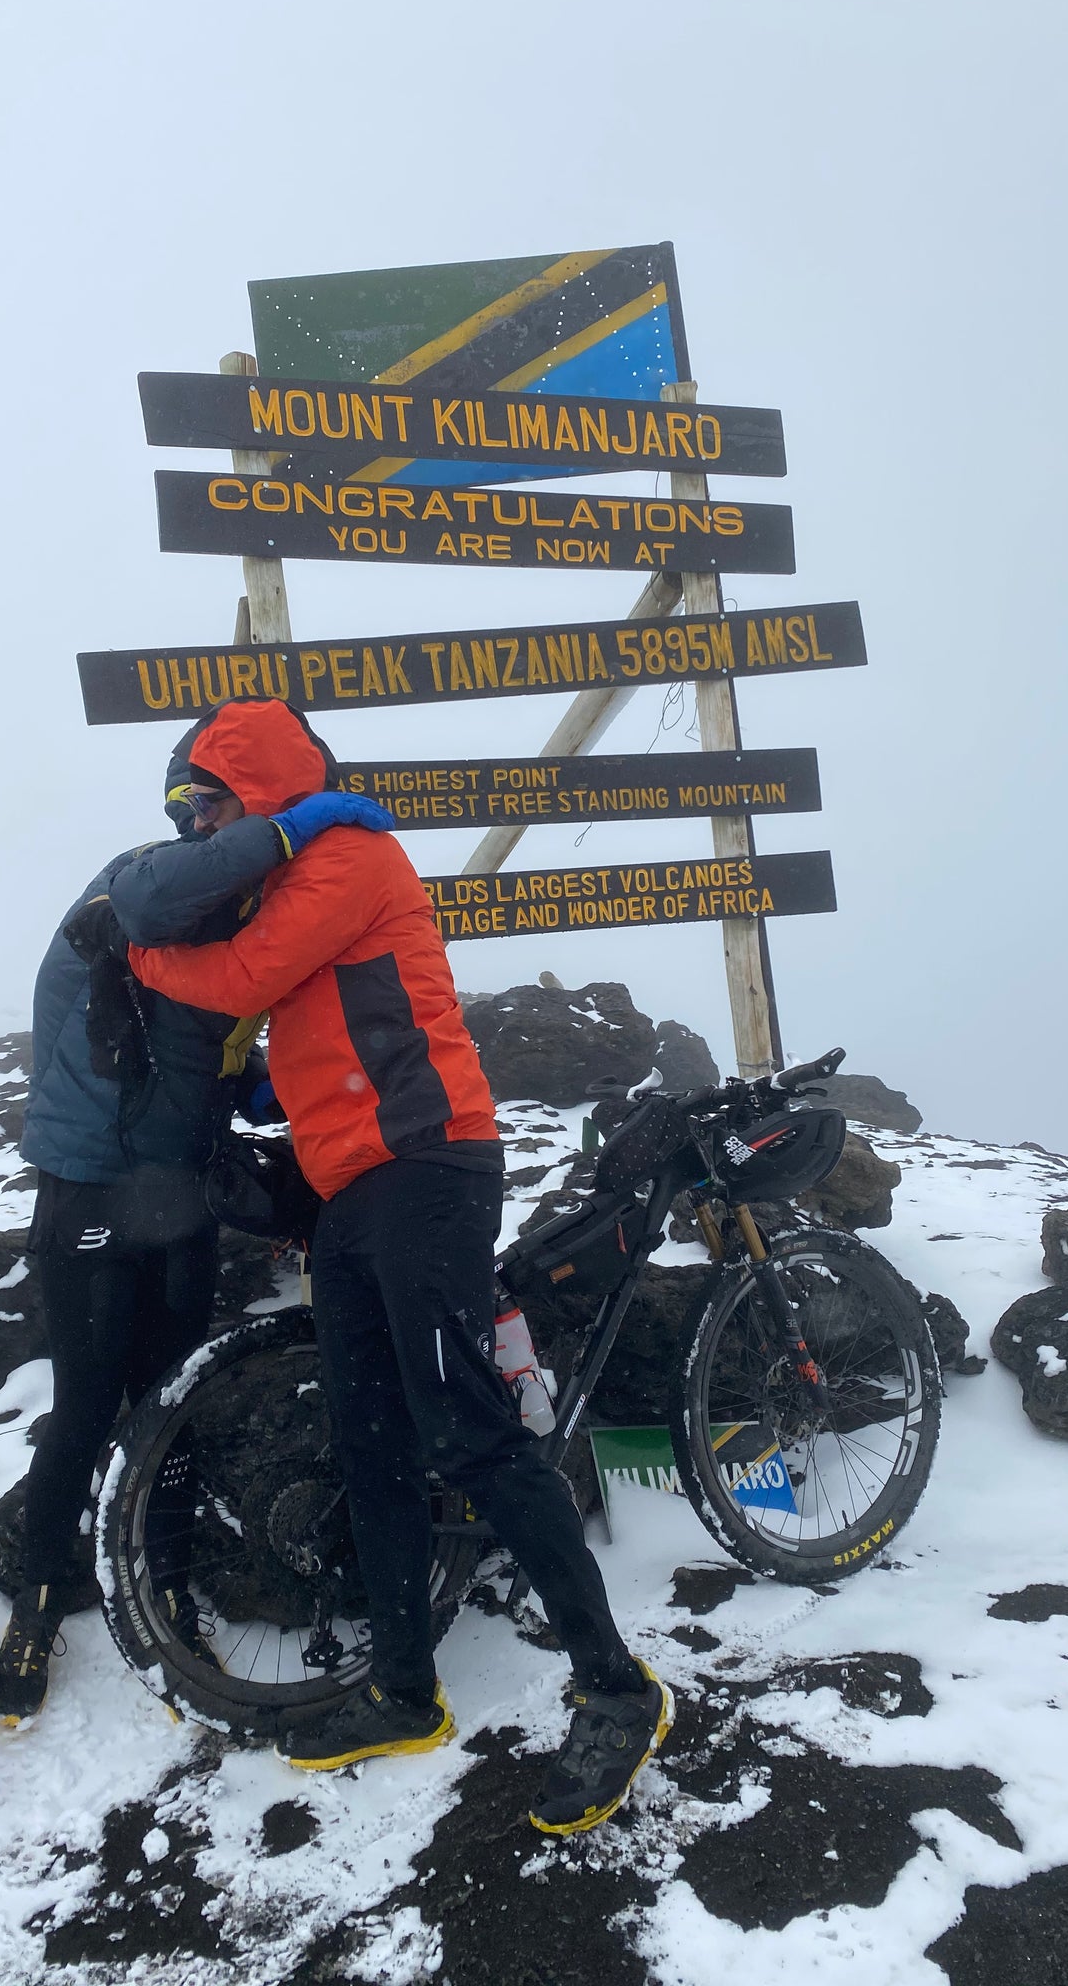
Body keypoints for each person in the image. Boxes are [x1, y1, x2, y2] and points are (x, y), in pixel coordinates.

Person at [125, 696, 671, 1835]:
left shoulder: (350, 855)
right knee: (369, 1440)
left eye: (209, 800)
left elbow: (241, 975)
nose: (197, 826)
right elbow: (316, 1016)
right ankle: (403, 1691)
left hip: (429, 1167)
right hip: (353, 1189)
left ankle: (617, 1686)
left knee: (468, 1429)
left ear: (259, 784)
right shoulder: (293, 880)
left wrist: (126, 940)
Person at [0, 723, 392, 1727]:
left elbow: (193, 1043)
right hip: (86, 1190)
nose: (201, 823)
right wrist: (301, 823)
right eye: (196, 807)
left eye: (215, 805)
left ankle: (162, 1580)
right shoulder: (145, 877)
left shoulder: (224, 917)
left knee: (170, 1399)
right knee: (85, 1402)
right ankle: (41, 1595)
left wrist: (254, 1086)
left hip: (175, 1197)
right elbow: (151, 904)